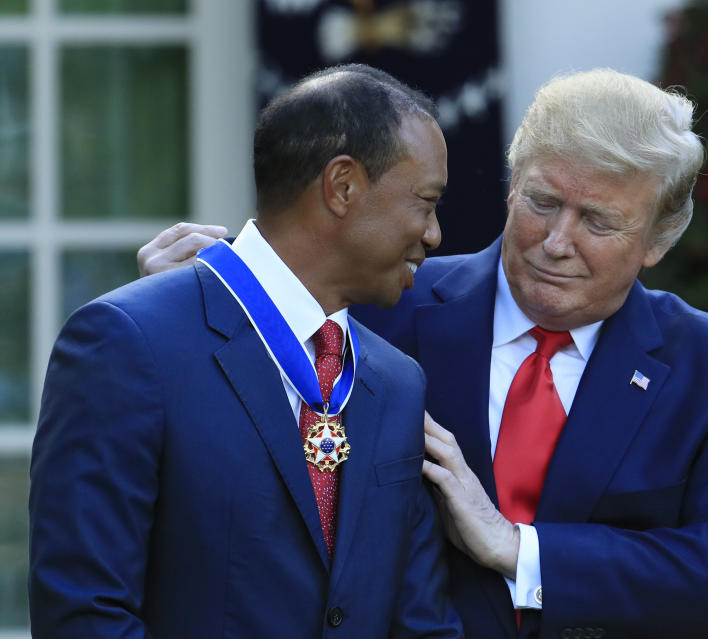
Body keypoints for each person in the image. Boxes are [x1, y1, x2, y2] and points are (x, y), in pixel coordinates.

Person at [138, 68, 708, 639]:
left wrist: (519, 549)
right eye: (542, 201)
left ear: (659, 238)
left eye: (597, 222)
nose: (556, 241)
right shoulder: (377, 309)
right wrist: (186, 311)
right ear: (510, 185)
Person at [30, 64, 463, 638]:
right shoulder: (129, 342)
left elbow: (423, 624)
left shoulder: (397, 381)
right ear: (342, 186)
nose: (434, 234)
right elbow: (84, 614)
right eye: (426, 202)